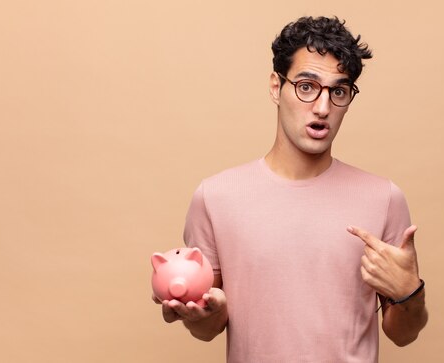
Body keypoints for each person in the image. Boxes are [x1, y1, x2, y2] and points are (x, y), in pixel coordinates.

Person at [154, 15, 428, 362]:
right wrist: (203, 315)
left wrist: (410, 294)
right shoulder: (216, 197)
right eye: (307, 86)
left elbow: (403, 334)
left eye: (339, 91)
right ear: (275, 87)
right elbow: (208, 328)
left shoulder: (384, 198)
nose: (323, 107)